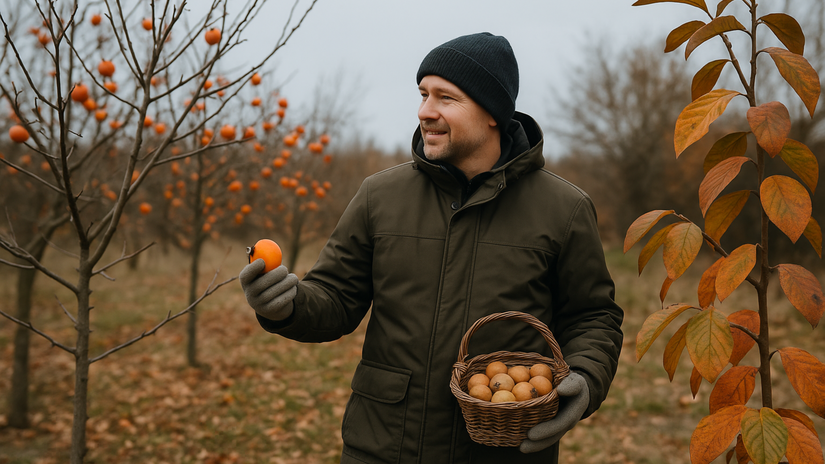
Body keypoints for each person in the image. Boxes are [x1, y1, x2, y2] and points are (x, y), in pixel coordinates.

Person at [240, 32, 623, 464]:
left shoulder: (564, 209)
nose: (425, 111)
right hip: (382, 447)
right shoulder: (379, 196)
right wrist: (285, 306)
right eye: (423, 94)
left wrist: (585, 377)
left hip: (503, 450)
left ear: (492, 113)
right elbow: (335, 298)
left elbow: (594, 316)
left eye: (446, 97)